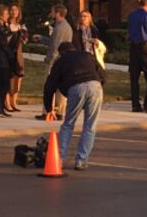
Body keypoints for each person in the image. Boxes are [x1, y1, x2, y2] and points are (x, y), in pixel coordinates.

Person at [43, 42, 105, 171]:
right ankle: (81, 161)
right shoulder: (87, 55)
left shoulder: (61, 61)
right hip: (95, 86)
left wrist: (49, 109)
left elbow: (50, 85)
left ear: (61, 52)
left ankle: (59, 159)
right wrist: (99, 85)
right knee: (90, 126)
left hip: (76, 87)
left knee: (68, 124)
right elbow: (102, 74)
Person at [38, 4, 72, 119]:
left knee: (49, 86)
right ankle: (60, 112)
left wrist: (49, 60)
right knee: (60, 87)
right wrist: (42, 39)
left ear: (58, 13)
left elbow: (55, 46)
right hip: (63, 60)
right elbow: (53, 41)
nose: (51, 13)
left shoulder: (60, 28)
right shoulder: (65, 26)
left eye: (52, 11)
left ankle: (47, 112)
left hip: (56, 61)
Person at [127, 0, 147, 113]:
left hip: (133, 47)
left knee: (134, 77)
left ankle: (135, 105)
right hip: (145, 47)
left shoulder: (132, 16)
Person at [7, 4, 28, 113]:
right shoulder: (6, 25)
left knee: (18, 79)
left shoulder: (21, 26)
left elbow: (25, 40)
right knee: (9, 79)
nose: (14, 12)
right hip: (9, 55)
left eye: (16, 10)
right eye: (12, 10)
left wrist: (22, 35)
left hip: (18, 56)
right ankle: (7, 102)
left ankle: (14, 101)